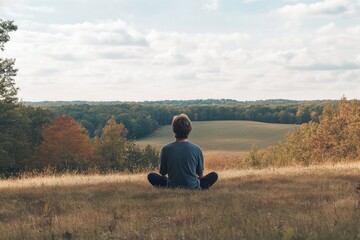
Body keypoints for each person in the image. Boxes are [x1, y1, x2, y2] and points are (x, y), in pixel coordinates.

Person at [147, 113, 218, 189]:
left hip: (172, 186)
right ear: (189, 129)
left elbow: (163, 173)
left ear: (174, 129)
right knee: (214, 175)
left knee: (151, 176)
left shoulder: (165, 149)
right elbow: (200, 175)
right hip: (193, 186)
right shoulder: (197, 149)